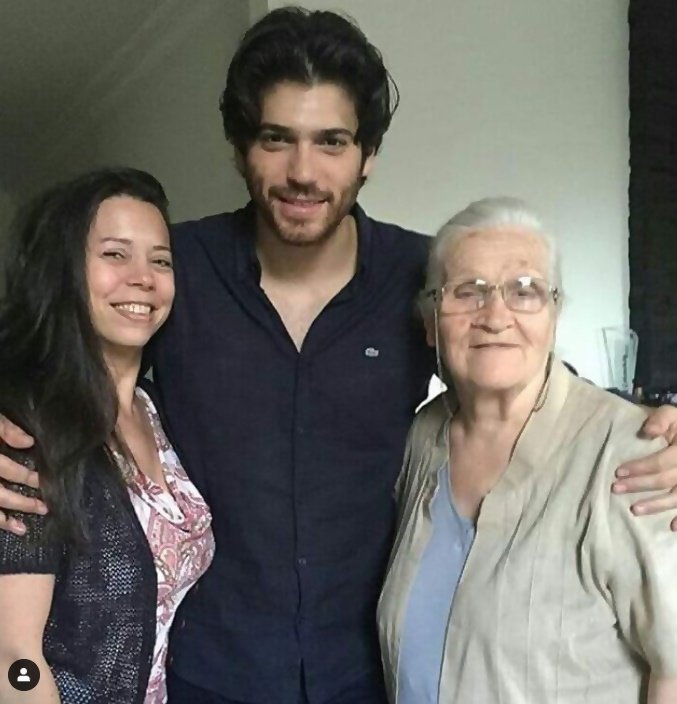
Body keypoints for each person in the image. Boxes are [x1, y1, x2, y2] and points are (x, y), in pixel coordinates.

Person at [1, 8, 677, 704]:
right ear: (240, 148)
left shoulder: (421, 277)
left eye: (331, 142)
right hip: (209, 677)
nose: (303, 172)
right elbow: (53, 342)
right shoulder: (177, 271)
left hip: (363, 677)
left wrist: (641, 431)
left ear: (367, 155)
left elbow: (518, 379)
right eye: (276, 139)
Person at [377, 197, 677, 703]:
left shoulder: (638, 456)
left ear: (553, 316)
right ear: (431, 322)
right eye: (467, 291)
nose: (495, 316)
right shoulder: (421, 439)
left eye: (525, 291)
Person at [0, 168, 215, 704]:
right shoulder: (28, 431)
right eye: (115, 254)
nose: (143, 277)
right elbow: (13, 659)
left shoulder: (157, 409)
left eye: (160, 260)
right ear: (64, 270)